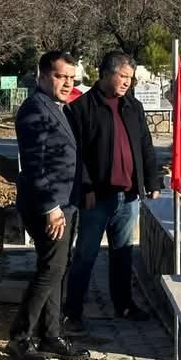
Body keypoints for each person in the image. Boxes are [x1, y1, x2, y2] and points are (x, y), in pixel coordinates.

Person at [63, 51, 160, 333]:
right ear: (106, 74)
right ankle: (74, 311)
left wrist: (151, 181)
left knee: (123, 254)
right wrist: (86, 186)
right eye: (123, 76)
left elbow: (145, 146)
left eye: (131, 78)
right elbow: (75, 154)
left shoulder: (133, 107)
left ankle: (124, 305)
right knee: (86, 254)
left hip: (128, 196)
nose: (128, 82)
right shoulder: (81, 109)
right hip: (97, 197)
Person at [7, 51, 89, 360]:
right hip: (48, 206)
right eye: (60, 77)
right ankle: (20, 337)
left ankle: (51, 334)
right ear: (42, 75)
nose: (67, 83)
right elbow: (33, 165)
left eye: (71, 77)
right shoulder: (34, 110)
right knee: (50, 269)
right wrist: (51, 207)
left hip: (68, 201)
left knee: (58, 267)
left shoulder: (61, 108)